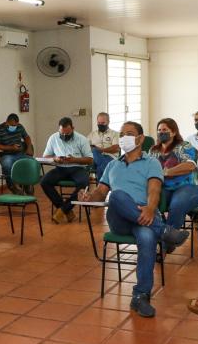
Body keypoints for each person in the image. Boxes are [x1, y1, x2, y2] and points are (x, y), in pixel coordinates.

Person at [78, 121, 189, 317]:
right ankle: (163, 230)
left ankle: (140, 297)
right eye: (121, 134)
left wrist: (150, 209)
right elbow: (101, 193)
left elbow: (154, 190)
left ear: (139, 139)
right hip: (119, 218)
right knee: (118, 196)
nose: (123, 138)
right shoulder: (112, 165)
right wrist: (89, 197)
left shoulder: (151, 163)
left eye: (129, 134)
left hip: (146, 214)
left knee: (146, 238)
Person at [147, 118, 198, 230]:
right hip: (163, 187)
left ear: (173, 132)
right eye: (159, 130)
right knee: (148, 201)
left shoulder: (184, 146)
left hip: (188, 187)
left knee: (177, 204)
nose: (161, 132)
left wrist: (167, 172)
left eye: (164, 130)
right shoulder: (153, 151)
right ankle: (159, 230)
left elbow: (189, 166)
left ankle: (168, 239)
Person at [40, 117, 93, 224]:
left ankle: (63, 210)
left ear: (73, 128)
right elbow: (45, 156)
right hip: (60, 168)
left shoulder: (81, 139)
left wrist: (74, 159)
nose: (64, 136)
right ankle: (66, 209)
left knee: (84, 183)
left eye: (67, 134)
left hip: (77, 168)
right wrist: (55, 159)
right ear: (59, 130)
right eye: (62, 134)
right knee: (44, 182)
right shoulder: (53, 138)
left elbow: (90, 160)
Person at [0, 113, 34, 195]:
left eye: (16, 125)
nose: (14, 127)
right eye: (12, 125)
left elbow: (27, 137)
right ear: (7, 122)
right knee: (7, 164)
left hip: (20, 153)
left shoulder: (19, 126)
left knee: (31, 161)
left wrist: (28, 148)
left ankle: (28, 183)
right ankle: (13, 185)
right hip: (7, 155)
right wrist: (11, 147)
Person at [88, 112, 120, 180]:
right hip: (94, 158)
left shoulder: (115, 134)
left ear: (108, 122)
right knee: (95, 151)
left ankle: (99, 189)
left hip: (110, 157)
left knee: (99, 168)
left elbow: (116, 148)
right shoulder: (92, 134)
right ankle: (111, 176)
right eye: (99, 123)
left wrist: (102, 150)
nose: (100, 125)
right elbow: (85, 146)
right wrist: (95, 149)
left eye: (103, 123)